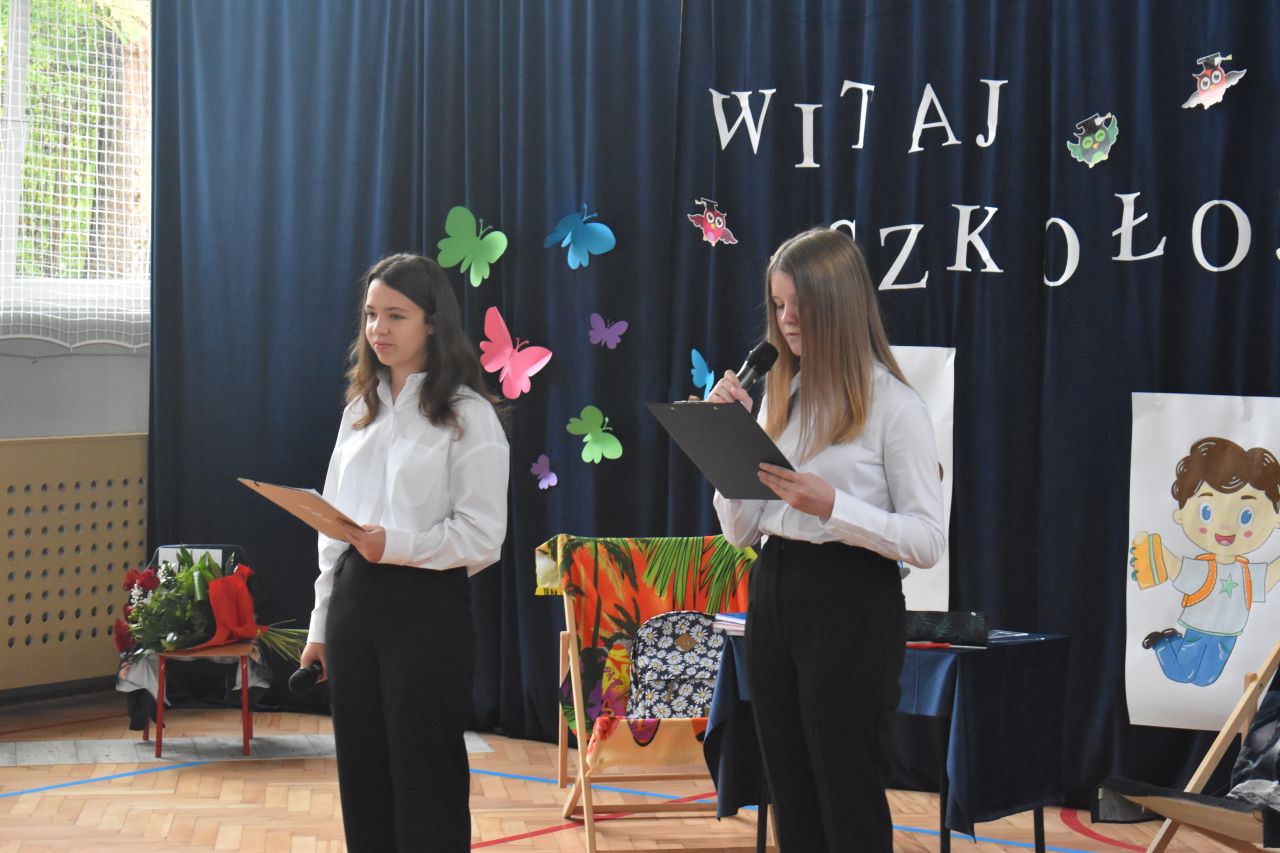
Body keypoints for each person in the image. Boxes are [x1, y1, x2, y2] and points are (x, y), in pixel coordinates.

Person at [709, 227, 946, 852]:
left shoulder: (894, 406)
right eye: (778, 305)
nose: (785, 320)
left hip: (850, 599)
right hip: (774, 589)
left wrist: (835, 507)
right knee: (790, 792)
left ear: (838, 302)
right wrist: (727, 442)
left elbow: (928, 540)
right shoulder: (780, 396)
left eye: (799, 305)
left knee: (846, 793)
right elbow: (740, 529)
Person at [299, 253, 509, 852]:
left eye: (396, 315)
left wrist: (397, 544)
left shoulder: (468, 416)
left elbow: (482, 536)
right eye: (371, 315)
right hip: (354, 605)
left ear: (433, 322)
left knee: (425, 775)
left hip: (426, 609)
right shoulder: (358, 412)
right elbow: (332, 534)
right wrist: (319, 627)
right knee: (362, 773)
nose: (379, 329)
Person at [1131, 436, 1280, 686]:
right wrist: (1153, 546)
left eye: (1246, 515)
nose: (1226, 527)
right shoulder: (1204, 567)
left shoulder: (1247, 572)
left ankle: (1171, 644)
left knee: (1207, 679)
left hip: (1230, 632)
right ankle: (1164, 642)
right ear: (1181, 514)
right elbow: (1175, 568)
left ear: (1275, 520)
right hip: (1198, 626)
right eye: (1207, 512)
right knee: (1181, 672)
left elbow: (1270, 576)